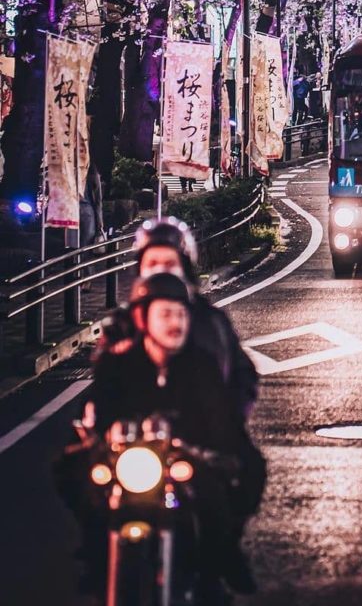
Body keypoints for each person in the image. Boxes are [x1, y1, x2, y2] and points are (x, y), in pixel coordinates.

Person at [85, 273, 265, 595]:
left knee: (216, 505)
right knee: (80, 488)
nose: (175, 322)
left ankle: (213, 574)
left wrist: (213, 450)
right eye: (165, 314)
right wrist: (98, 437)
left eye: (181, 314)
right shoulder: (120, 363)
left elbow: (219, 421)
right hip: (129, 467)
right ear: (144, 318)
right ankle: (96, 567)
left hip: (183, 463)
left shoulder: (201, 365)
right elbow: (99, 410)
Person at [99, 218, 258, 421]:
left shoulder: (211, 320)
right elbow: (102, 385)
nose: (161, 270)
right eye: (153, 264)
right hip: (136, 438)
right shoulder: (122, 322)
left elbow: (242, 376)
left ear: (184, 268)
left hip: (200, 434)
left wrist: (228, 418)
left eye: (169, 263)